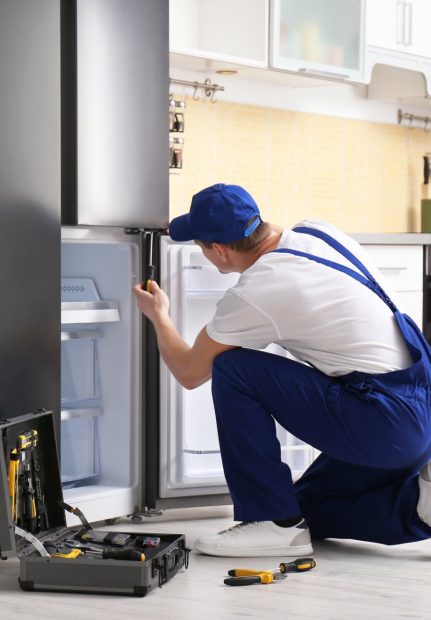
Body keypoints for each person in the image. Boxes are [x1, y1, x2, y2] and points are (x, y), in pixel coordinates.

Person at [133, 183, 431, 558]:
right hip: (419, 411)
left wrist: (159, 316)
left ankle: (270, 522)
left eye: (201, 246)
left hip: (384, 422)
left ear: (220, 251)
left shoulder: (257, 290)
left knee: (233, 368)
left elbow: (190, 372)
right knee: (306, 511)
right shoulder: (317, 231)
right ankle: (421, 509)